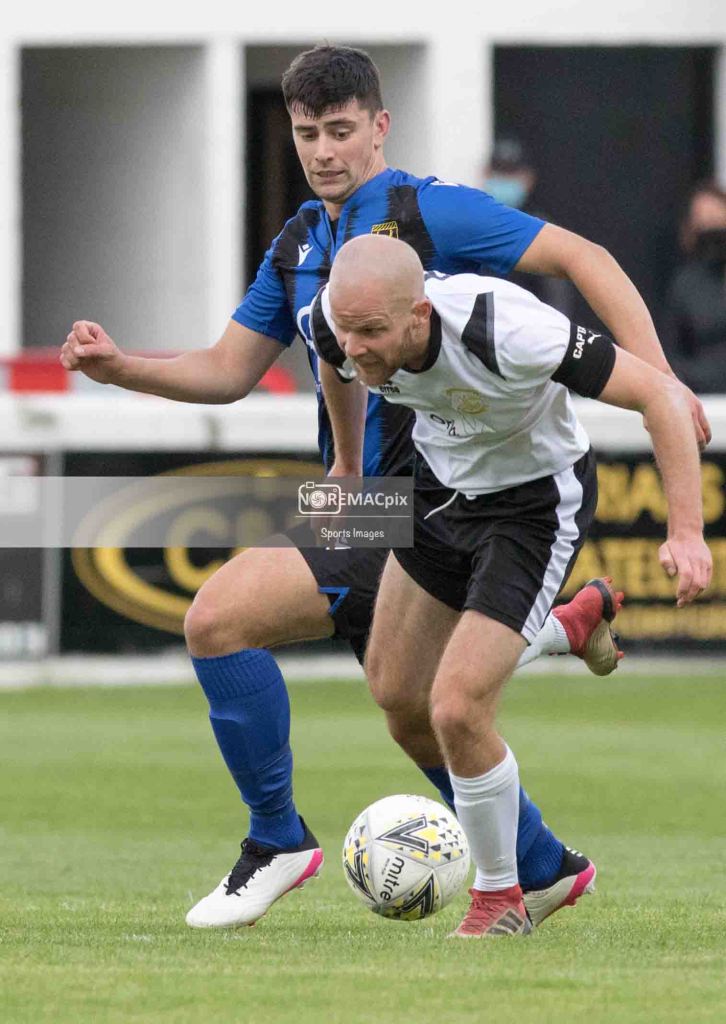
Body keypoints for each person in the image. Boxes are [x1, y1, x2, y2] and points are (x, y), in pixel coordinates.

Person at [60, 44, 706, 931]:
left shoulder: (428, 212)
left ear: (379, 127)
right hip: (365, 499)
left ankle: (278, 840)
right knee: (409, 703)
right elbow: (229, 369)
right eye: (306, 134)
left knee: (222, 621)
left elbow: (585, 256)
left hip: (417, 497)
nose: (323, 151)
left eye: (340, 130)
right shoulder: (300, 242)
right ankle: (541, 854)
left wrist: (662, 380)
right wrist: (122, 368)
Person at [313, 232, 712, 938]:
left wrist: (685, 531)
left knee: (457, 707)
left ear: (419, 315)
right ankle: (567, 628)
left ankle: (502, 897)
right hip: (440, 493)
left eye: (371, 332)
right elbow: (332, 358)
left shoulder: (508, 330)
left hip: (533, 509)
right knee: (398, 696)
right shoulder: (339, 320)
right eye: (346, 329)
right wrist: (347, 463)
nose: (356, 347)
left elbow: (658, 396)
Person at [483, 136, 577, 317]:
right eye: (499, 172)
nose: (504, 180)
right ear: (486, 174)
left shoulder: (541, 231)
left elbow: (556, 300)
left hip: (527, 327)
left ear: (528, 179)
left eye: (511, 174)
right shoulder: (473, 226)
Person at [661, 181, 726, 394]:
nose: (711, 232)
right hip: (704, 396)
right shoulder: (685, 284)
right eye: (702, 224)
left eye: (716, 221)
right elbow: (671, 354)